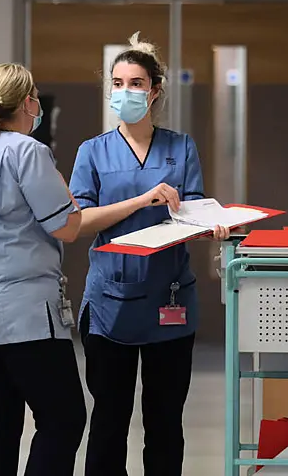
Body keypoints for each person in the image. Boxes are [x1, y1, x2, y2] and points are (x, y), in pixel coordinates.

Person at [69, 33, 230, 476]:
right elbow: (80, 221)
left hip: (169, 298)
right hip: (110, 305)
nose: (125, 92)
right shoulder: (93, 152)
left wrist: (210, 227)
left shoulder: (181, 148)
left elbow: (191, 212)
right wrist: (140, 201)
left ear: (155, 90)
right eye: (117, 83)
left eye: (135, 83)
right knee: (109, 421)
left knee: (164, 423)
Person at [0, 63, 87, 476]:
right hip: (27, 316)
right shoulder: (30, 152)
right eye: (36, 97)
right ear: (27, 103)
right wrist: (65, 190)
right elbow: (68, 226)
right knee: (63, 419)